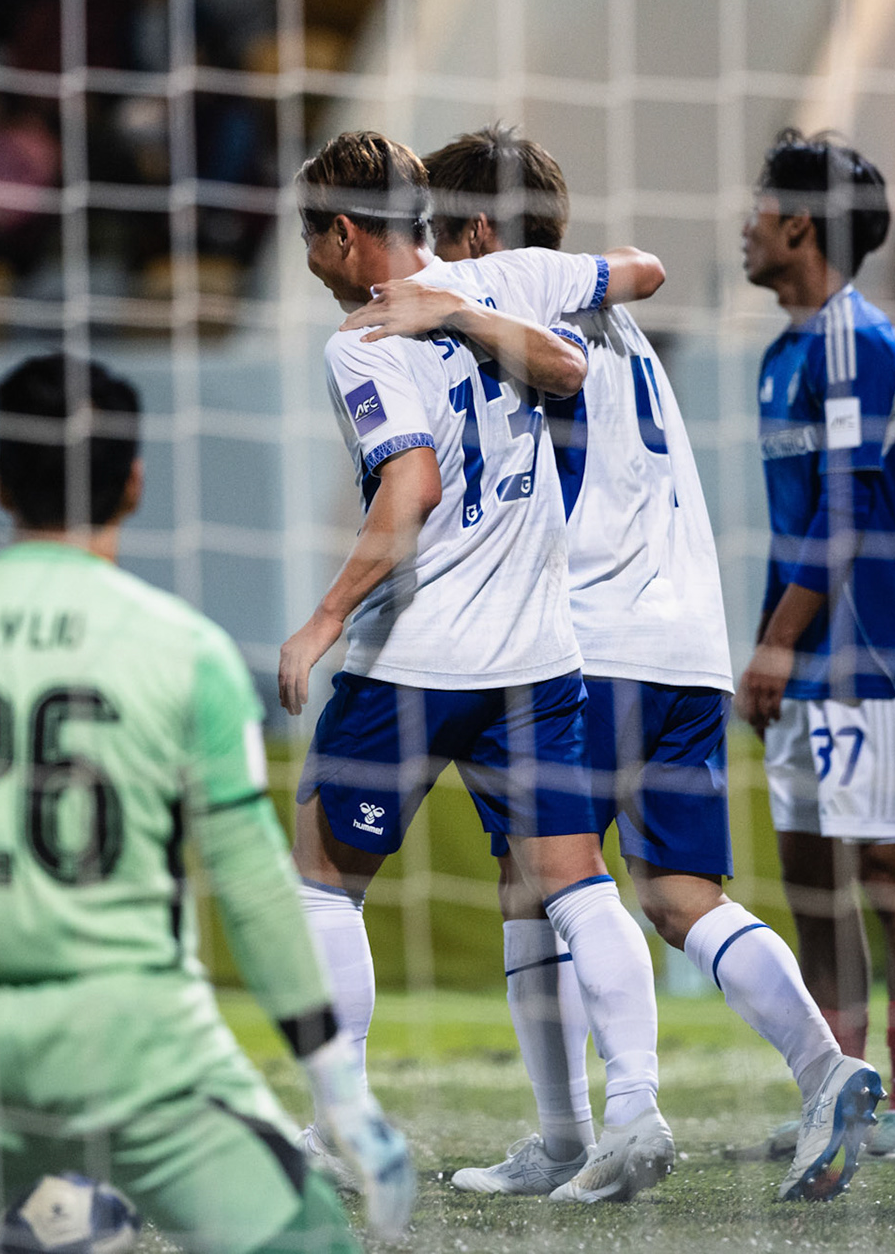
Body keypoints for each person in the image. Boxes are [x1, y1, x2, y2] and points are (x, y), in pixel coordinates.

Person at [344, 124, 880, 1204]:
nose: (426, 256)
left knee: (536, 876)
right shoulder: (615, 315)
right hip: (687, 643)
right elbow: (637, 271)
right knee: (681, 894)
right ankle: (827, 1066)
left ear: (482, 231)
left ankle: (581, 1124)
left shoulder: (510, 316)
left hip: (590, 640)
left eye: (439, 232)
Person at [0, 353, 414, 1253]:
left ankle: (39, 1209)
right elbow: (254, 884)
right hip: (142, 1055)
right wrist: (339, 1092)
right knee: (314, 1239)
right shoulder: (180, 650)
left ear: (0, 481)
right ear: (136, 483)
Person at [283, 130, 674, 1203]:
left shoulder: (361, 341)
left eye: (312, 240)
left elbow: (405, 489)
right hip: (538, 659)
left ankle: (343, 1123)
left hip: (413, 660)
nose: (311, 263)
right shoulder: (511, 275)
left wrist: (320, 622)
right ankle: (634, 1105)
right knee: (574, 881)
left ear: (347, 232)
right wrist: (481, 305)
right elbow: (636, 279)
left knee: (322, 879)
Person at [735, 130, 895, 1167]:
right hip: (807, 662)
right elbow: (789, 527)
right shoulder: (779, 356)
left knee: (893, 875)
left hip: (882, 660)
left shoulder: (856, 342)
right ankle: (838, 1095)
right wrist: (769, 643)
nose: (745, 225)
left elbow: (846, 510)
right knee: (813, 884)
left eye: (758, 208)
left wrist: (776, 644)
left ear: (799, 226)